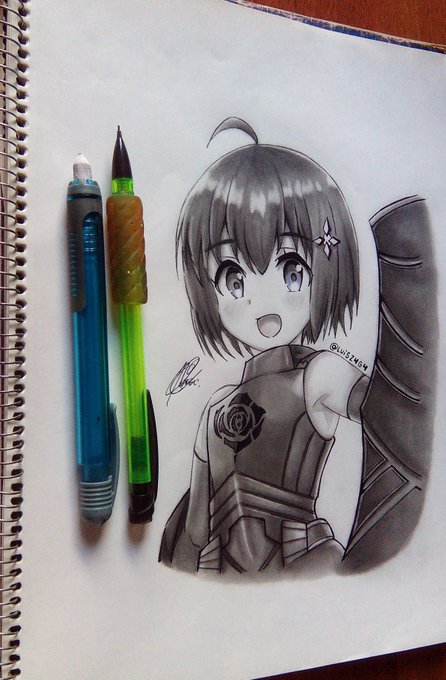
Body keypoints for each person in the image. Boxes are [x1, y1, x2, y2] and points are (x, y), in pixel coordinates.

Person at [160, 118, 369, 575]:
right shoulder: (214, 408)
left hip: (304, 564)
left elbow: (393, 416)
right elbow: (195, 528)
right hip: (222, 581)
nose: (262, 300)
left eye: (291, 269)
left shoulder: (320, 375)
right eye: (233, 277)